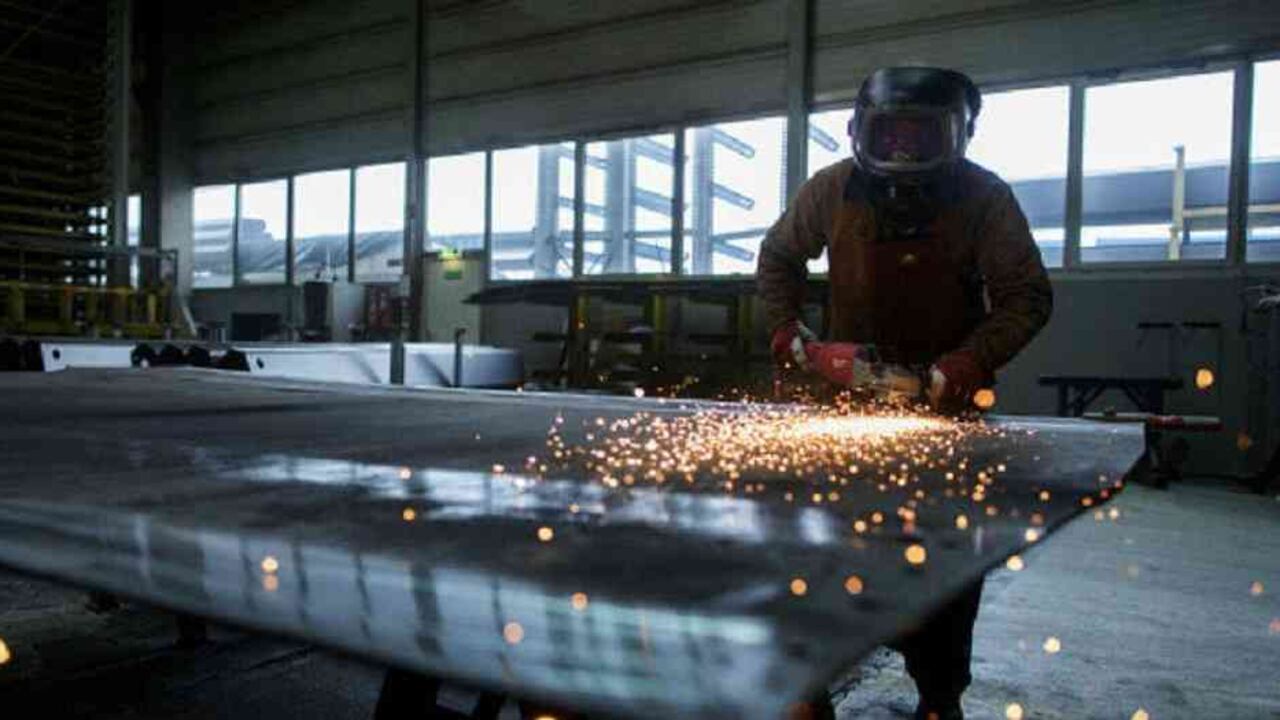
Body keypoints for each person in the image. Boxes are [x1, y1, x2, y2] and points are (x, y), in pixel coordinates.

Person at [758, 67, 1054, 720]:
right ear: (859, 130)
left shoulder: (985, 198)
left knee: (943, 566)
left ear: (960, 135)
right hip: (844, 411)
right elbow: (779, 255)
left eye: (922, 134)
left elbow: (1027, 296)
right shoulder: (832, 189)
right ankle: (809, 689)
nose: (902, 147)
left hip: (945, 411)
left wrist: (968, 362)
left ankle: (939, 695)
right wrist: (788, 329)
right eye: (889, 132)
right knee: (823, 553)